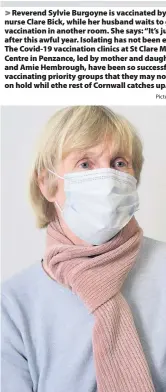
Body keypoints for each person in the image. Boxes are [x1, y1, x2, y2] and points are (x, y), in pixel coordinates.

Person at [1, 106, 166, 392]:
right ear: (47, 184)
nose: (107, 179)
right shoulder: (12, 307)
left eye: (118, 163)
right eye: (85, 164)